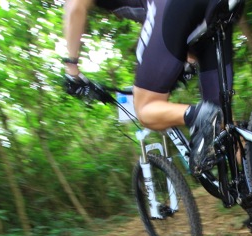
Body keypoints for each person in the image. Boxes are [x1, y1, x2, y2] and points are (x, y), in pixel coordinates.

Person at [62, 0, 239, 172]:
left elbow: (75, 6)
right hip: (218, 12)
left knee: (145, 108)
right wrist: (187, 60)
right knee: (225, 123)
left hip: (173, 6)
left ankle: (198, 116)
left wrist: (72, 69)